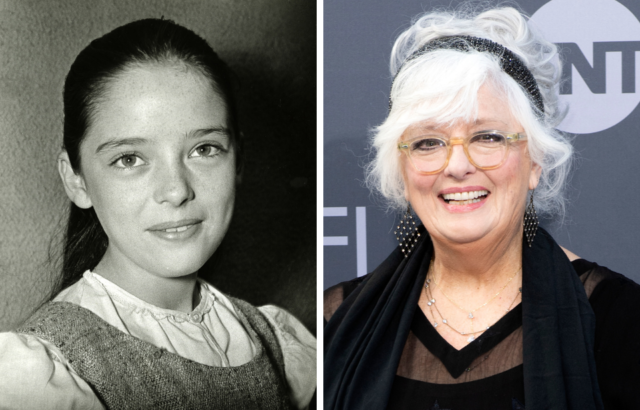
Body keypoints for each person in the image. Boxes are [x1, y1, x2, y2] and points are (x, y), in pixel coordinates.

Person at [324, 6, 640, 410]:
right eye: (428, 142)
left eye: (488, 137)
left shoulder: (618, 320)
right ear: (402, 171)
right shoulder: (337, 320)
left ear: (535, 162)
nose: (457, 166)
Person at [0, 19, 315, 409]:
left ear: (239, 161)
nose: (177, 190)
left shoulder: (276, 341)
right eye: (129, 158)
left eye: (204, 149)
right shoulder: (41, 375)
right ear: (76, 180)